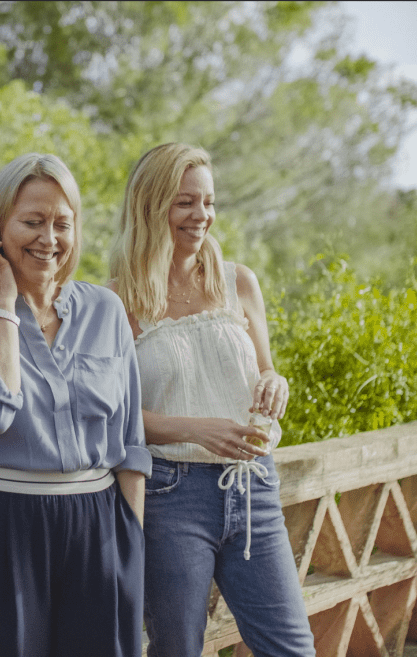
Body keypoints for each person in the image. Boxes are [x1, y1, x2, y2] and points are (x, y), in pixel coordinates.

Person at [0, 153, 152, 657]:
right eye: (31, 222)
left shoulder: (106, 309)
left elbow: (129, 440)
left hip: (100, 522)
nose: (47, 238)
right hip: (1, 523)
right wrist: (3, 304)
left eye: (61, 223)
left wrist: (129, 542)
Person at [108, 142, 315, 656]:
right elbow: (114, 417)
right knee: (177, 648)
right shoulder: (115, 301)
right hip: (169, 496)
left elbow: (265, 368)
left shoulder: (238, 281)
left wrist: (275, 382)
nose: (202, 216)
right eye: (185, 202)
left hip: (255, 485)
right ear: (151, 206)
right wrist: (197, 428)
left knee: (291, 647)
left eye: (209, 202)